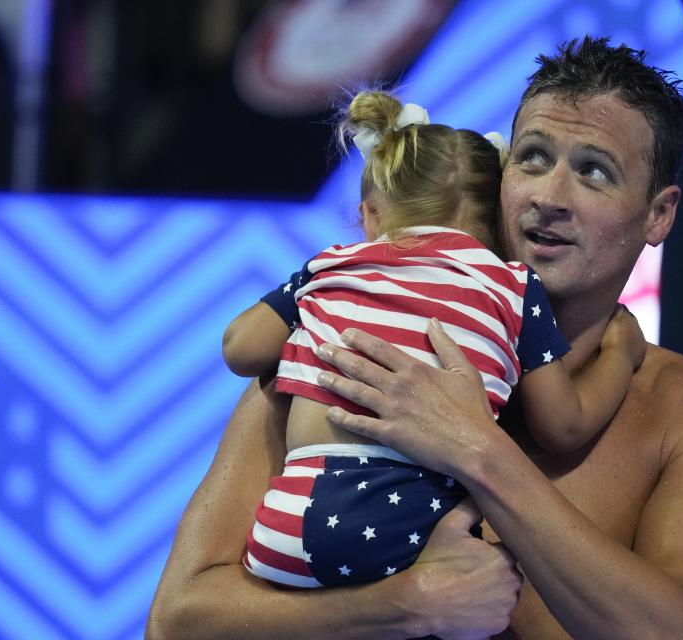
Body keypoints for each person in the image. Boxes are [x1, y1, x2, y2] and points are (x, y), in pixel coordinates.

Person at [147, 36, 683, 639]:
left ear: (658, 214)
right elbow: (178, 620)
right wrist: (403, 606)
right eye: (532, 158)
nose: (550, 198)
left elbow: (672, 630)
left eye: (594, 172)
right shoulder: (347, 345)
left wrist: (475, 448)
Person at [221, 89, 643, 589]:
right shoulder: (510, 286)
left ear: (371, 214)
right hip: (413, 537)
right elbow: (563, 427)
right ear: (499, 225)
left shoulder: (329, 266)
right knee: (489, 596)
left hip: (285, 534)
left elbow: (240, 349)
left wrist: (304, 289)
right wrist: (622, 352)